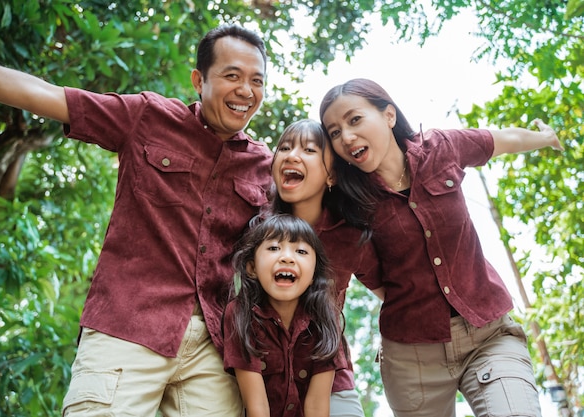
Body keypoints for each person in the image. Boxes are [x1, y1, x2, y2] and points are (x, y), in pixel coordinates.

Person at [0, 24, 273, 416]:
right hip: (128, 326)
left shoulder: (266, 166)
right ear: (199, 80)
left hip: (213, 349)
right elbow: (45, 95)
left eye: (257, 80)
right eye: (232, 76)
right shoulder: (148, 117)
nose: (246, 91)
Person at [318, 78, 563, 417]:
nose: (346, 136)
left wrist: (545, 138)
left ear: (388, 115)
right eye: (334, 132)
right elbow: (377, 284)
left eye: (354, 120)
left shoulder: (440, 148)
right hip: (413, 359)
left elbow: (501, 139)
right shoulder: (349, 204)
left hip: (489, 335)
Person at [267, 118, 384, 416]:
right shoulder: (257, 229)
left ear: (331, 175)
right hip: (261, 380)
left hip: (330, 380)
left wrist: (399, 341)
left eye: (308, 150)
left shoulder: (350, 236)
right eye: (284, 147)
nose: (292, 155)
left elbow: (393, 292)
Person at [223, 213, 346, 417]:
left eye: (300, 251)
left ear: (314, 274)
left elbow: (316, 405)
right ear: (252, 268)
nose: (287, 257)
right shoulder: (239, 313)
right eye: (273, 248)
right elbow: (257, 406)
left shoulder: (327, 317)